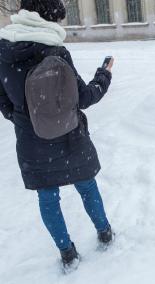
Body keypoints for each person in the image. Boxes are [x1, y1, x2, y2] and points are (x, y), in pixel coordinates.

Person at [0, 0, 114, 272]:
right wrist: (104, 75)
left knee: (48, 198)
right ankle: (105, 233)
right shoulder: (55, 51)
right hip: (70, 137)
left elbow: (4, 102)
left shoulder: (2, 51)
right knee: (87, 186)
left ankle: (67, 253)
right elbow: (84, 98)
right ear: (48, 17)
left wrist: (25, 120)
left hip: (31, 143)